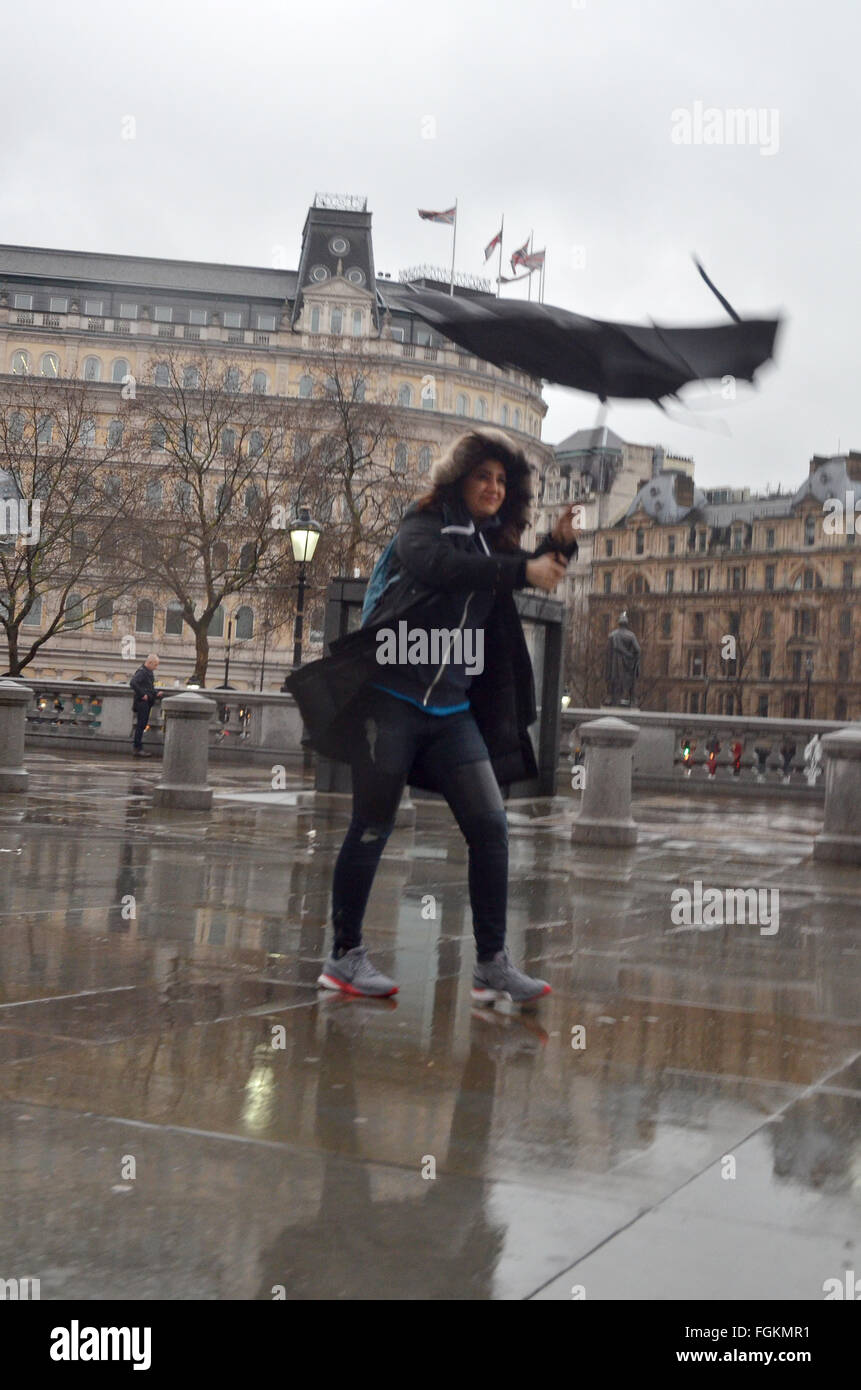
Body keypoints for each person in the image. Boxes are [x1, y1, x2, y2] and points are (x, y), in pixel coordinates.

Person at [286, 428, 578, 1003]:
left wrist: (558, 545)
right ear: (459, 480)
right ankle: (345, 956)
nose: (493, 487)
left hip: (450, 711)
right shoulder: (420, 528)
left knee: (490, 828)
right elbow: (442, 567)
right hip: (391, 699)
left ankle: (492, 964)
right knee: (372, 824)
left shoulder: (491, 542)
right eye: (483, 477)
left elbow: (522, 562)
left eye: (502, 480)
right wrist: (523, 572)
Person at [129, 654, 162, 756]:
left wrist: (155, 693)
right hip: (142, 703)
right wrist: (142, 694)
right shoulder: (142, 672)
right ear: (150, 663)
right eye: (155, 665)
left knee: (142, 725)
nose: (156, 667)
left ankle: (138, 748)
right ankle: (137, 748)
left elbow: (148, 687)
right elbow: (133, 683)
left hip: (145, 702)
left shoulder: (147, 672)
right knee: (141, 725)